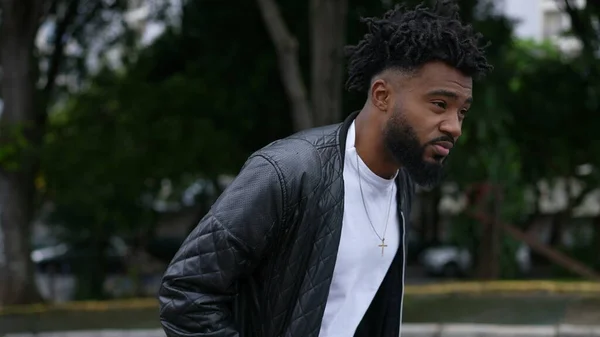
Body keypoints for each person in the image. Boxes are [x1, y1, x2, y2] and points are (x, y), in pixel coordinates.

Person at [158, 1, 492, 336]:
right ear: (381, 95)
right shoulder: (288, 172)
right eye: (439, 105)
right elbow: (186, 292)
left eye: (461, 112)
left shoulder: (401, 182)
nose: (454, 127)